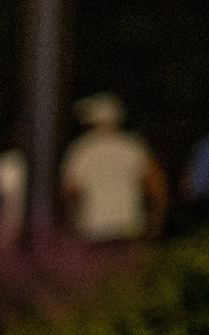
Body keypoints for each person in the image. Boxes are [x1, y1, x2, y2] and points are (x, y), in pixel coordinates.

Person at [60, 93, 164, 244]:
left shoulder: (81, 149)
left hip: (93, 228)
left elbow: (69, 190)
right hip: (129, 225)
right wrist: (154, 222)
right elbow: (156, 186)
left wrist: (71, 222)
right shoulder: (133, 146)